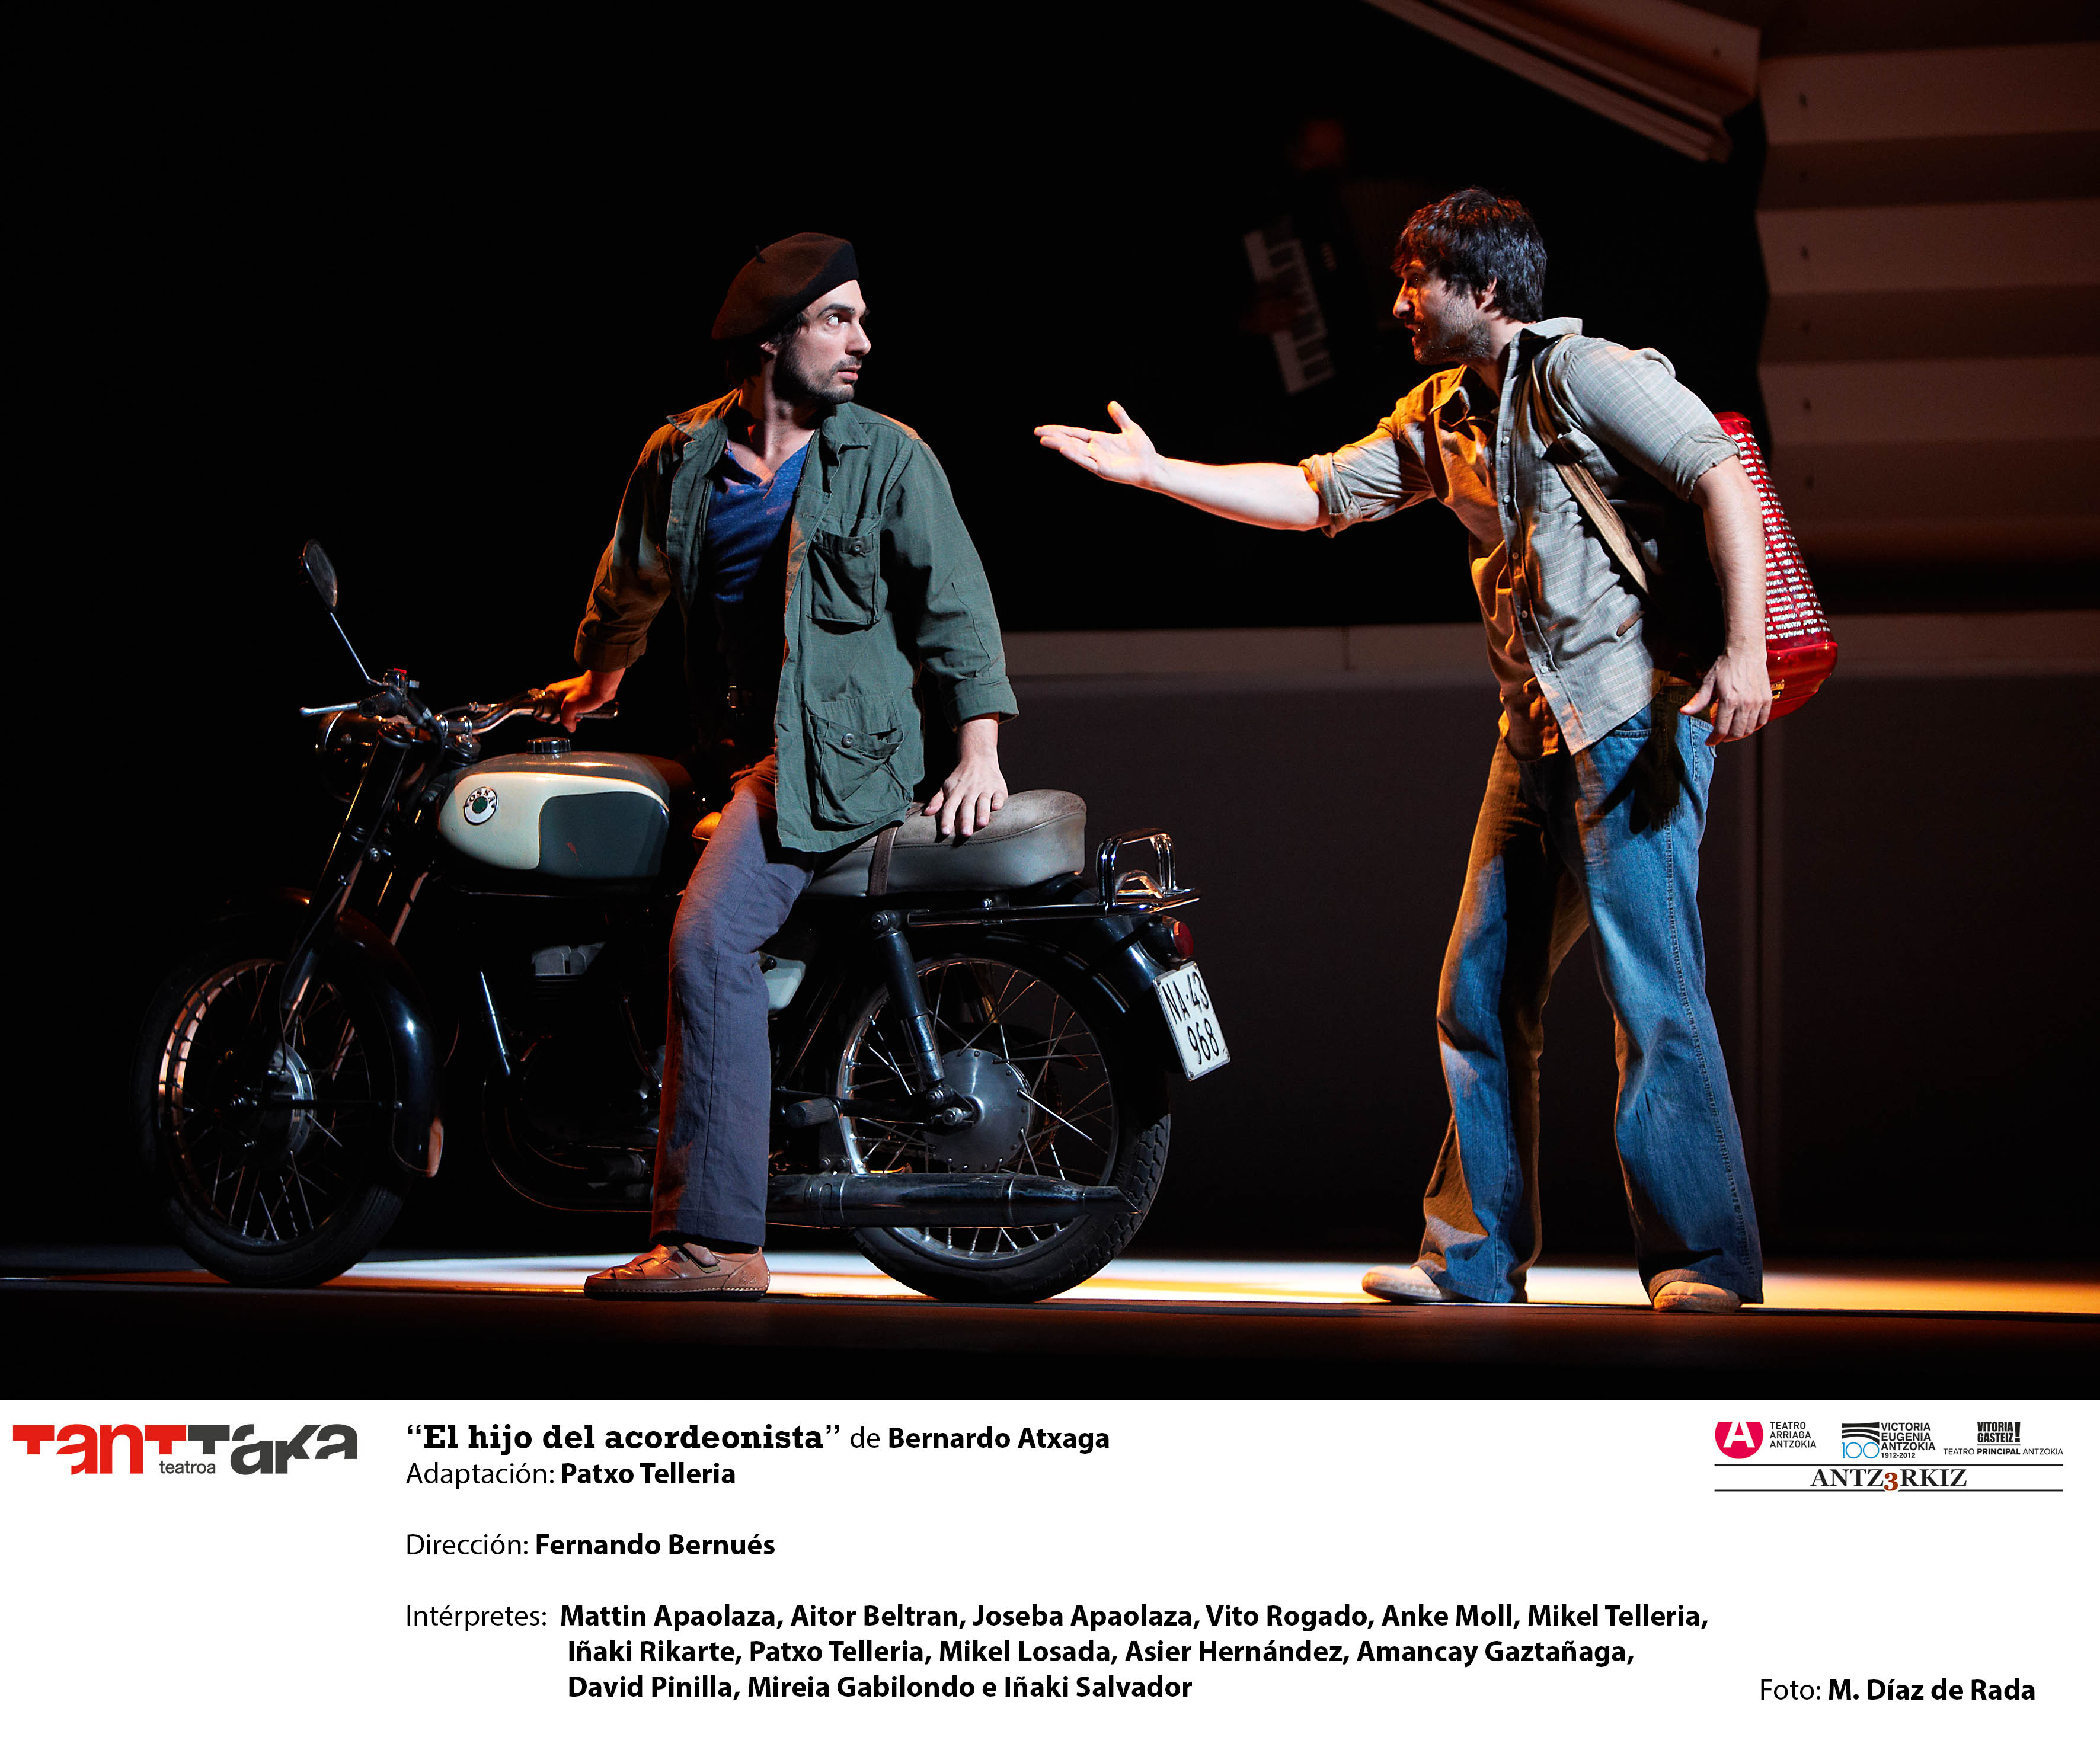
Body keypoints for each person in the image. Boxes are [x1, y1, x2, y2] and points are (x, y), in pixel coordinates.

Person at [1035, 188, 1767, 1313]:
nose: (1398, 302)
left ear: (1485, 288)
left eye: (1417, 280)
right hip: (1535, 732)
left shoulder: (1587, 373)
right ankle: (1471, 1258)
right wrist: (1159, 472)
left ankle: (1702, 1263)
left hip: (1631, 715)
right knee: (1479, 990)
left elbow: (1719, 472)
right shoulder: (1446, 414)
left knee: (1653, 993)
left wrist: (1746, 651)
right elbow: (1318, 491)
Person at [546, 233, 1017, 1300]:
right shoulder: (679, 457)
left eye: (861, 318)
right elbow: (630, 581)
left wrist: (979, 748)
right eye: (838, 318)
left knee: (709, 941)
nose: (864, 340)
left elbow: (955, 608)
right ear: (771, 337)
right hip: (729, 755)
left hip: (837, 760)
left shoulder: (887, 456)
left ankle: (714, 1242)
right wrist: (599, 678)